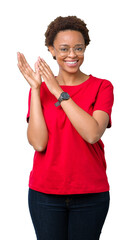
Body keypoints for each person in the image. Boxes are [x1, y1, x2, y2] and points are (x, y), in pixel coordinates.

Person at [17, 16, 114, 240]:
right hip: (45, 195)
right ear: (51, 50)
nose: (72, 55)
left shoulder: (102, 86)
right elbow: (38, 143)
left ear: (85, 48)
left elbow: (92, 134)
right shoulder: (40, 90)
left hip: (91, 193)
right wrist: (35, 89)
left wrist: (58, 92)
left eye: (78, 48)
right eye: (64, 48)